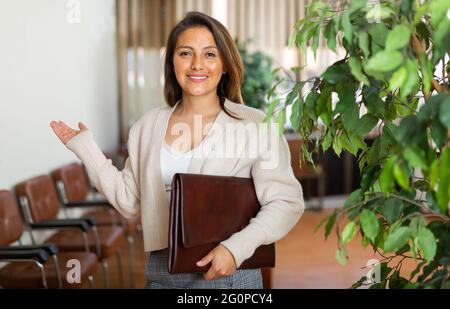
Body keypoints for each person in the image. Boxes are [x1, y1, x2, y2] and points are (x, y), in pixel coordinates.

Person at [50, 11, 304, 289]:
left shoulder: (256, 126)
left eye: (209, 54)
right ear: (172, 62)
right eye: (185, 53)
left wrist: (235, 249)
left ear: (226, 64)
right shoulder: (147, 126)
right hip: (162, 271)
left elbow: (286, 202)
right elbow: (127, 200)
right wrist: (86, 148)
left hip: (229, 274)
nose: (197, 65)